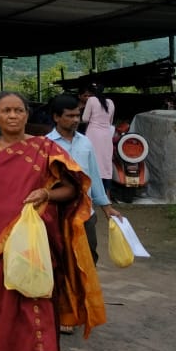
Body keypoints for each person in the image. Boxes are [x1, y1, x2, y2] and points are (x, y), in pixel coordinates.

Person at [0, 91, 104, 351]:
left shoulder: (44, 148)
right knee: (0, 311)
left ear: (27, 115)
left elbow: (72, 188)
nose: (13, 116)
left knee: (40, 308)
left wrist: (46, 194)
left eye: (19, 110)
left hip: (35, 241)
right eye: (6, 111)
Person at [47, 94, 123, 265]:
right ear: (56, 117)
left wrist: (106, 207)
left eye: (77, 115)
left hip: (85, 213)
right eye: (70, 116)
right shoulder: (46, 145)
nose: (75, 120)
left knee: (88, 259)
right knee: (58, 262)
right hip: (57, 214)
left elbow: (93, 176)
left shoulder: (86, 142)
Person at [79, 84, 115, 193]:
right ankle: (106, 193)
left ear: (92, 92)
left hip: (93, 135)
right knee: (106, 163)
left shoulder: (91, 100)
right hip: (106, 136)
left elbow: (85, 118)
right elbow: (110, 121)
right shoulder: (110, 102)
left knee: (92, 161)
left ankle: (90, 191)